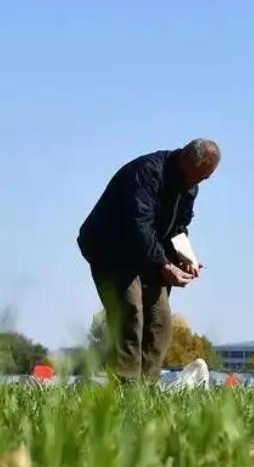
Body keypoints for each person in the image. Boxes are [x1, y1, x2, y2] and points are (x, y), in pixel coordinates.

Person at [77, 138, 221, 382]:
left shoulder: (189, 187)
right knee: (129, 314)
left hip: (147, 252)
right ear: (187, 162)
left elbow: (178, 225)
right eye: (202, 175)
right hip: (111, 251)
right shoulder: (146, 174)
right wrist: (164, 265)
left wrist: (184, 257)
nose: (202, 182)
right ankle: (126, 387)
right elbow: (138, 227)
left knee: (160, 320)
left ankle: (147, 387)